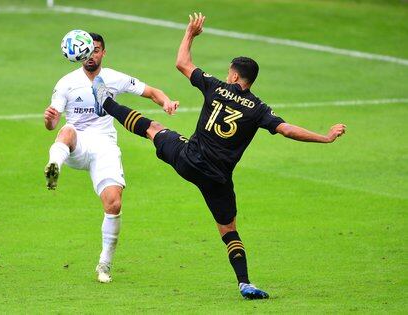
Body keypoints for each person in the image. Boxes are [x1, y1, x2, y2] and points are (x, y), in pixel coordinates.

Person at [92, 13, 346, 299]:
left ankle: (107, 102)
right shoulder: (259, 108)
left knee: (154, 128)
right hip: (218, 179)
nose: (227, 75)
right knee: (229, 231)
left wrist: (190, 33)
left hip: (189, 158)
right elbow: (287, 130)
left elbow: (182, 63)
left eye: (229, 72)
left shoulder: (217, 87)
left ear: (235, 76)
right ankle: (244, 282)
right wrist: (324, 137)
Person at [43, 32, 179, 283]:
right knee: (66, 129)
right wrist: (50, 120)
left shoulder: (114, 78)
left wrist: (166, 102)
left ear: (103, 53)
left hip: (104, 145)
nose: (91, 54)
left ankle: (104, 264)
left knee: (114, 204)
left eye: (96, 50)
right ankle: (53, 166)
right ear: (79, 54)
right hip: (78, 143)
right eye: (88, 50)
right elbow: (52, 124)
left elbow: (150, 91)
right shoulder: (66, 83)